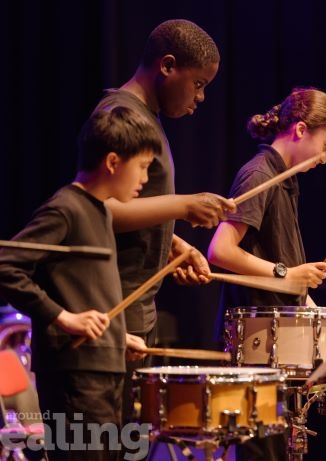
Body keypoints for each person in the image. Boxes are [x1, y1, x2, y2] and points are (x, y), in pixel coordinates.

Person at [91, 19, 236, 424]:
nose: (202, 97)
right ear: (168, 66)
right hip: (113, 306)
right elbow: (100, 211)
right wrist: (185, 206)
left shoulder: (146, 119)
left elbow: (139, 207)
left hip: (139, 305)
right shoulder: (120, 114)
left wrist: (176, 246)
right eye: (199, 84)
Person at [0, 106, 159, 460]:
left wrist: (116, 336)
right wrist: (62, 317)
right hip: (75, 376)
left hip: (102, 369)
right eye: (143, 167)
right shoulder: (65, 208)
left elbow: (87, 291)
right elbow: (6, 267)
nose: (145, 179)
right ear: (114, 161)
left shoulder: (101, 209)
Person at [207, 87, 326, 461]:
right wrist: (287, 274)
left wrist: (314, 305)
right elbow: (219, 251)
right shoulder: (258, 174)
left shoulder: (286, 179)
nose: (325, 159)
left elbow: (283, 264)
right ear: (301, 130)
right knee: (262, 453)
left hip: (275, 344)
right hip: (254, 343)